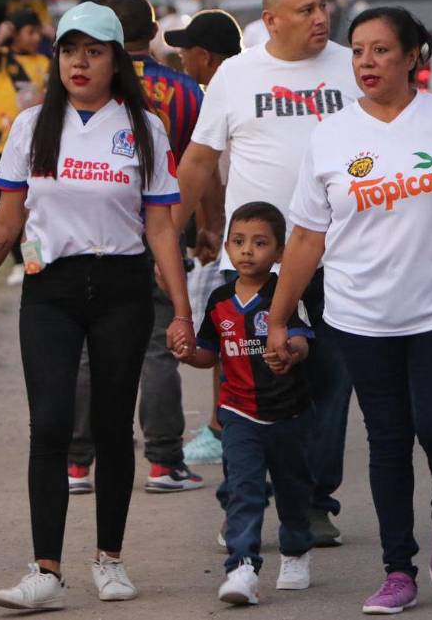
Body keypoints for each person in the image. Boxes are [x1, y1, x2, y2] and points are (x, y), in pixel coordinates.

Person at [269, 6, 432, 614]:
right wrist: (280, 318)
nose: (366, 61)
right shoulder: (332, 135)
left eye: (381, 50)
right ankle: (397, 570)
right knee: (387, 441)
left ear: (415, 56)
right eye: (358, 50)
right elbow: (308, 236)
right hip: (359, 317)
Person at [0, 2, 195, 612]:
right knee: (51, 423)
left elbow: (161, 228)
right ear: (56, 58)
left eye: (94, 52)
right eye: (69, 51)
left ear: (116, 59)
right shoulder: (32, 126)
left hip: (122, 289)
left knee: (112, 427)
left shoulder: (145, 128)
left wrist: (183, 311)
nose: (79, 63)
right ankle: (45, 572)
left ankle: (110, 560)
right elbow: (5, 225)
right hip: (50, 288)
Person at [176, 0, 360, 547]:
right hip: (254, 264)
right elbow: (201, 160)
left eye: (324, 5)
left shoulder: (350, 66)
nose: (321, 18)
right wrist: (167, 233)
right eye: (306, 9)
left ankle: (312, 502)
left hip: (339, 257)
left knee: (329, 385)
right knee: (247, 388)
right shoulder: (236, 74)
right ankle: (244, 496)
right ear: (272, 19)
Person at [65, 0, 205, 496]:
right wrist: (204, 228)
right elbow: (199, 166)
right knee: (158, 350)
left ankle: (78, 464)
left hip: (95, 236)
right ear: (152, 31)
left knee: (85, 352)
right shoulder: (186, 91)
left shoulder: (85, 91)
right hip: (167, 227)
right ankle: (164, 462)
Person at [173, 202, 315, 606]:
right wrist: (187, 354)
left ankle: (295, 551)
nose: (247, 251)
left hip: (288, 413)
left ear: (280, 252)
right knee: (243, 490)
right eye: (238, 242)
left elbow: (303, 340)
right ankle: (242, 568)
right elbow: (208, 352)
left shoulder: (284, 294)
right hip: (237, 415)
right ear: (228, 248)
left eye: (259, 242)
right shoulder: (219, 300)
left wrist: (290, 349)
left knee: (292, 491)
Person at [163, 8, 244, 466]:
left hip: (234, 237)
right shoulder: (237, 88)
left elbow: (211, 171)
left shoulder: (218, 96)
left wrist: (208, 228)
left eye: (186, 51)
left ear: (206, 57)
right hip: (241, 233)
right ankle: (223, 421)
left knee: (221, 337)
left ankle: (220, 426)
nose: (181, 58)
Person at [0, 8, 48, 285]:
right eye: (29, 32)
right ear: (15, 33)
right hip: (0, 145)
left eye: (36, 32)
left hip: (33, 144)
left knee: (28, 209)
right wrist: (2, 34)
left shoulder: (45, 61)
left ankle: (28, 261)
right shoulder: (3, 60)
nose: (33, 38)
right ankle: (20, 258)